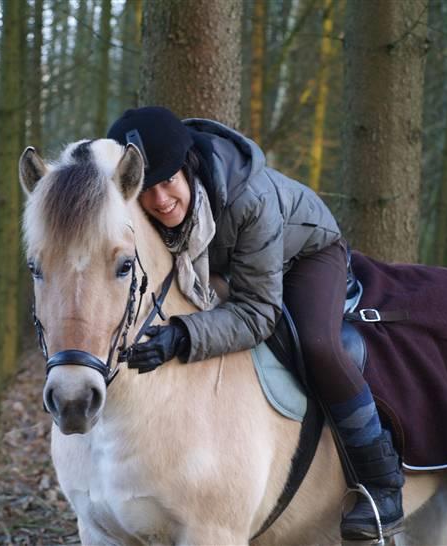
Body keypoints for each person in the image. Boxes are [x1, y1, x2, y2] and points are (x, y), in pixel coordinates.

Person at [106, 106, 404, 541]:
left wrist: (185, 334)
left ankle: (382, 484)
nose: (159, 200)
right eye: (145, 190)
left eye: (168, 181)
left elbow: (257, 313)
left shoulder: (251, 200)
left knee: (320, 344)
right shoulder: (143, 213)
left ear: (188, 166)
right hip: (228, 262)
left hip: (304, 255)